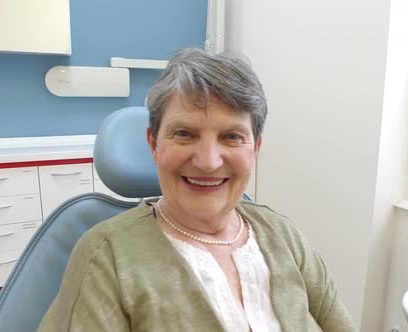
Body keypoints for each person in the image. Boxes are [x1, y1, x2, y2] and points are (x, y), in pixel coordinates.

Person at [39, 48, 356, 331]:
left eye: (232, 136)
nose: (208, 162)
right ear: (153, 144)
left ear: (255, 148)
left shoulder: (284, 236)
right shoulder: (107, 256)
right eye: (184, 134)